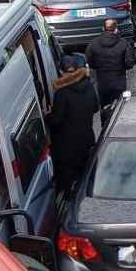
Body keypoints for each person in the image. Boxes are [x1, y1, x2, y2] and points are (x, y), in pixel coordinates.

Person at [47, 55, 99, 194]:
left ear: (62, 72)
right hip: (87, 138)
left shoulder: (62, 93)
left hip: (68, 145)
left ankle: (69, 199)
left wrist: (47, 116)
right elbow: (95, 108)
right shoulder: (88, 85)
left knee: (67, 179)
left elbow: (56, 120)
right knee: (85, 176)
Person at [85, 19, 136, 126]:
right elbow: (130, 62)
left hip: (102, 82)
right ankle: (119, 127)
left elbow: (89, 61)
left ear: (102, 29)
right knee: (120, 107)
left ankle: (105, 128)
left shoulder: (93, 44)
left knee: (104, 107)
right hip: (119, 81)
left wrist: (98, 68)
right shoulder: (124, 43)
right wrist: (122, 68)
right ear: (116, 29)